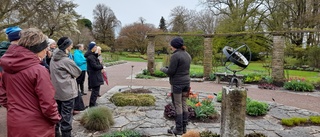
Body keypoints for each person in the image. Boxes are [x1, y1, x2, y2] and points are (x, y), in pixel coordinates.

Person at [0, 28, 61, 137]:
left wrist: (16, 109)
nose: (47, 52)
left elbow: (3, 96)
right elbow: (48, 103)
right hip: (37, 126)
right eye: (45, 48)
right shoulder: (39, 70)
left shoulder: (7, 68)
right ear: (39, 49)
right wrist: (56, 118)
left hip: (15, 121)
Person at [50, 37, 81, 137]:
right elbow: (78, 72)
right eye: (71, 45)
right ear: (67, 46)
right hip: (67, 93)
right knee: (66, 118)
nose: (72, 46)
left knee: (57, 116)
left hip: (56, 92)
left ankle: (56, 134)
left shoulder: (53, 58)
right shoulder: (66, 60)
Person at [160, 37, 192, 135]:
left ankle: (178, 129)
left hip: (177, 84)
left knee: (178, 105)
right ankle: (184, 127)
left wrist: (162, 69)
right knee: (184, 103)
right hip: (186, 83)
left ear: (173, 46)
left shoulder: (175, 56)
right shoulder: (187, 55)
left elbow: (171, 72)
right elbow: (180, 69)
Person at [84, 41, 104, 107]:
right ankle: (92, 104)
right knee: (95, 91)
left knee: (95, 91)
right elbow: (95, 66)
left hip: (96, 75)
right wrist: (102, 66)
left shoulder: (94, 56)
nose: (97, 48)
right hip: (94, 75)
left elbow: (99, 61)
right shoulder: (91, 57)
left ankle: (93, 103)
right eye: (95, 47)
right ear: (92, 48)